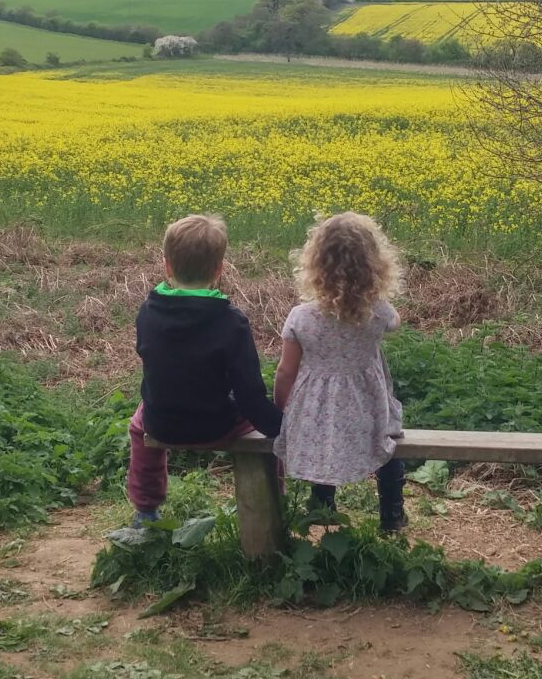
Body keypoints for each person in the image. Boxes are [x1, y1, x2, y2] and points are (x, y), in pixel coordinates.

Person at [127, 214, 282, 527]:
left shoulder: (147, 312)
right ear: (218, 270)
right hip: (216, 425)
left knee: (137, 427)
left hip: (162, 423)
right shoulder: (231, 322)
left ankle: (145, 511)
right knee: (267, 436)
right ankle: (275, 499)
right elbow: (250, 397)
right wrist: (282, 428)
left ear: (167, 266)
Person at [272, 212, 408, 534]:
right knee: (387, 444)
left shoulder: (301, 317)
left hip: (317, 410)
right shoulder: (377, 312)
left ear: (315, 263)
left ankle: (321, 506)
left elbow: (286, 371)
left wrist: (281, 409)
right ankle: (392, 514)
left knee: (323, 440)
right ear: (374, 265)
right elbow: (396, 323)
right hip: (368, 407)